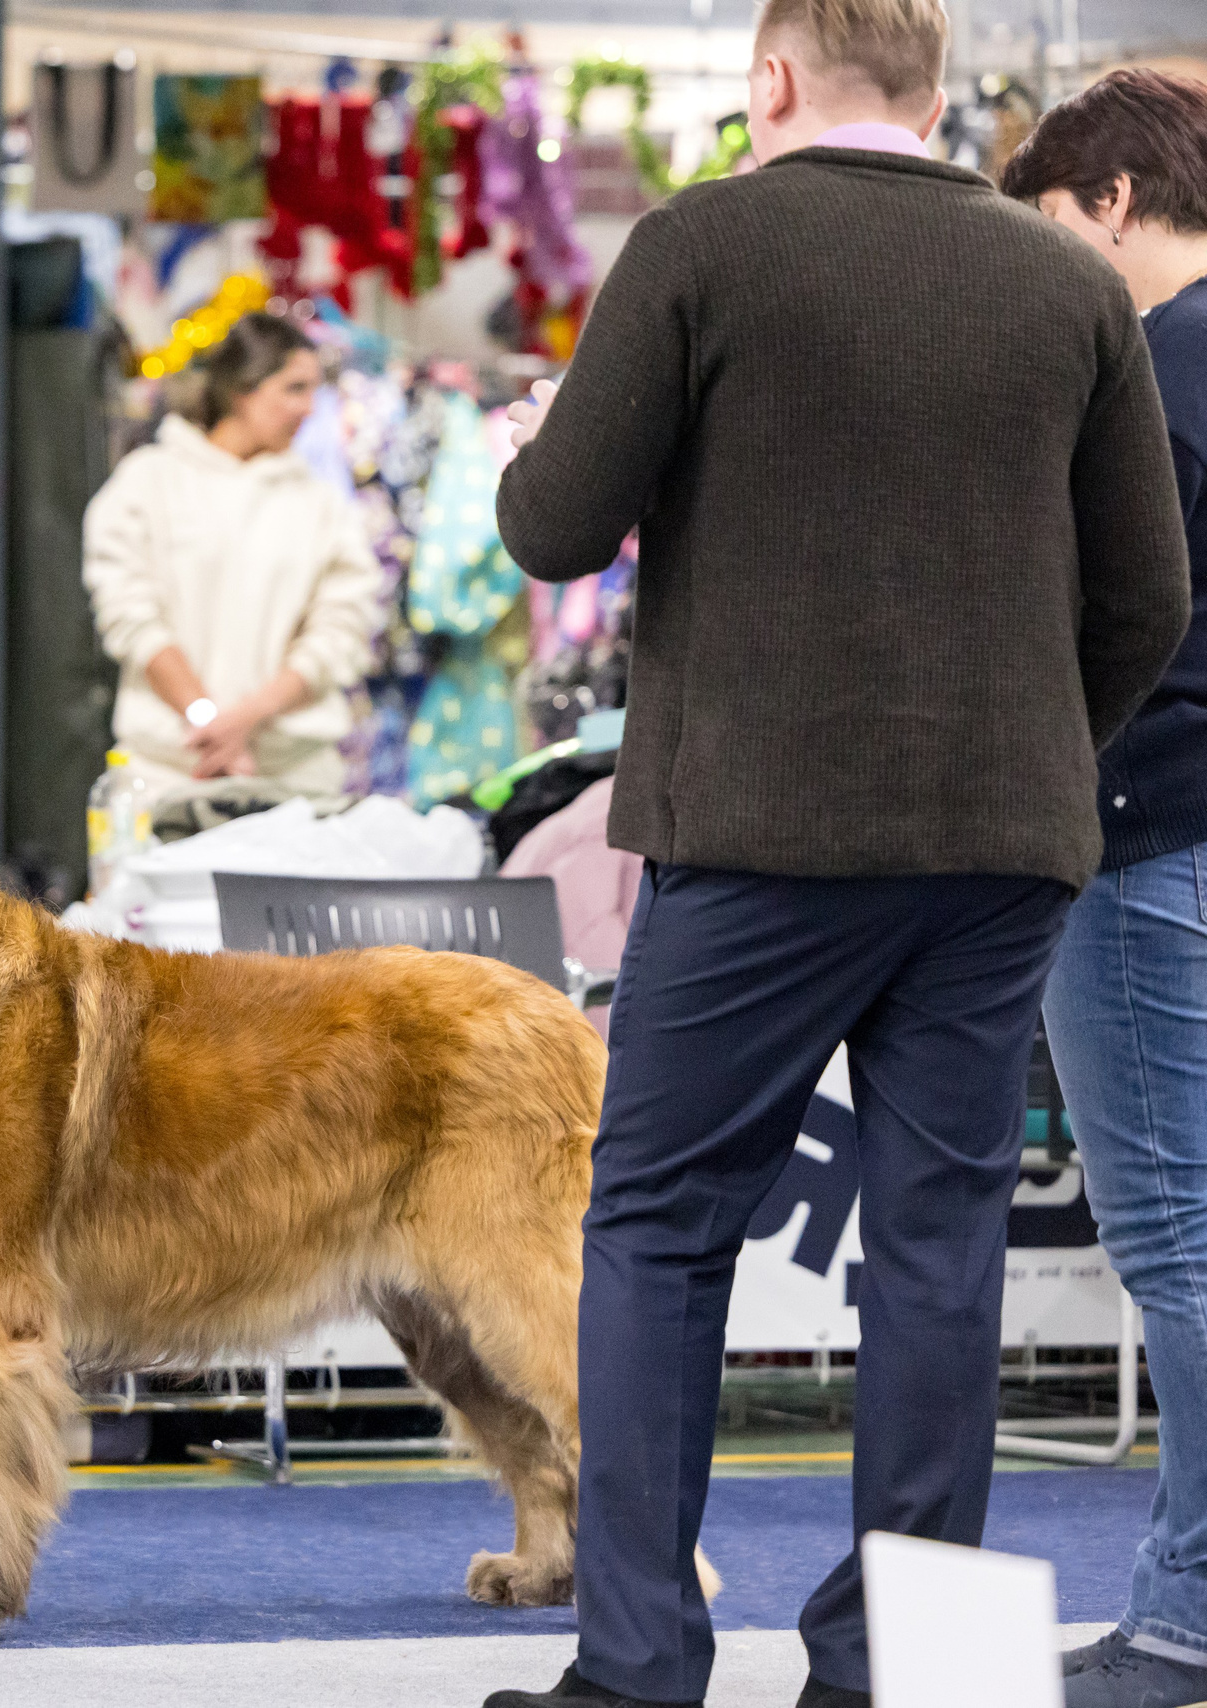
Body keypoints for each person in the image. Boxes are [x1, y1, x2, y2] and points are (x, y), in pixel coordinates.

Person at [477, 0, 1192, 1703]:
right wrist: (1033, 752)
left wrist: (533, 455)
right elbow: (1149, 599)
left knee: (655, 1225)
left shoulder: (704, 243)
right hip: (1003, 848)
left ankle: (641, 1665)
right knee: (939, 1247)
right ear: (942, 94)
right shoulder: (1072, 284)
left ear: (777, 79)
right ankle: (911, 1668)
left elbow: (554, 523)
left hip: (761, 829)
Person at [1000, 68, 1207, 1708]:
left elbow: (1102, 623)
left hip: (1149, 834)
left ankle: (1190, 1612)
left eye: (1052, 225)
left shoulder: (1147, 370)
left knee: (1184, 1247)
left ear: (1114, 202)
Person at [81, 312, 379, 803]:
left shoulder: (322, 504)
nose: (309, 407)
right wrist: (207, 724)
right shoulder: (148, 481)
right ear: (243, 389)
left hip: (294, 783)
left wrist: (244, 722)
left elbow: (339, 631)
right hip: (166, 777)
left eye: (314, 390)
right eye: (294, 388)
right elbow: (130, 614)